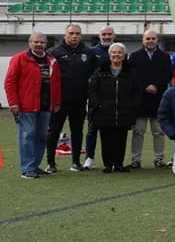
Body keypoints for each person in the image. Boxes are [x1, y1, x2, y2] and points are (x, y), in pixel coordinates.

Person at [5, 32, 63, 179]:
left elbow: (56, 83)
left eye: (42, 42)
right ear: (29, 43)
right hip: (26, 105)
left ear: (46, 44)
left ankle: (35, 166)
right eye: (36, 42)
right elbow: (10, 82)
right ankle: (27, 168)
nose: (39, 45)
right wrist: (13, 103)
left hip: (45, 106)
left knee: (41, 137)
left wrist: (56, 102)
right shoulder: (19, 59)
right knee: (27, 137)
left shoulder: (51, 60)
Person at [46, 23, 96, 173]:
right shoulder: (54, 52)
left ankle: (76, 162)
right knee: (54, 131)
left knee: (77, 131)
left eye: (77, 33)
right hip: (59, 101)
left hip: (79, 99)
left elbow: (94, 74)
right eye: (71, 33)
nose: (74, 36)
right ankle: (51, 163)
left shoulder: (88, 53)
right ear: (65, 35)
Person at [86, 43, 137, 173]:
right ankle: (108, 164)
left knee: (121, 139)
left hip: (123, 111)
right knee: (106, 139)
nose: (116, 55)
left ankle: (119, 164)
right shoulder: (100, 72)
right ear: (109, 55)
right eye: (114, 53)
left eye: (119, 53)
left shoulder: (130, 72)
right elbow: (92, 90)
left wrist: (132, 105)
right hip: (104, 112)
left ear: (124, 55)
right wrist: (98, 104)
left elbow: (137, 91)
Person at [128, 29, 172, 169]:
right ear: (143, 40)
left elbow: (168, 74)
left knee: (158, 132)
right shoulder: (135, 57)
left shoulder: (165, 56)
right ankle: (136, 159)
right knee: (138, 132)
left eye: (153, 38)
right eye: (148, 39)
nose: (150, 41)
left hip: (158, 99)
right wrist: (145, 86)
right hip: (140, 100)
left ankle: (159, 159)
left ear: (157, 40)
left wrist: (156, 86)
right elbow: (132, 75)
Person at [82, 25, 117, 170]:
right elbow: (87, 74)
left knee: (112, 130)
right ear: (99, 35)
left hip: (113, 97)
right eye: (104, 34)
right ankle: (89, 157)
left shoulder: (119, 50)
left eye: (109, 34)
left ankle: (112, 159)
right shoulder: (92, 52)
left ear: (114, 35)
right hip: (96, 97)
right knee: (92, 128)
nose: (107, 36)